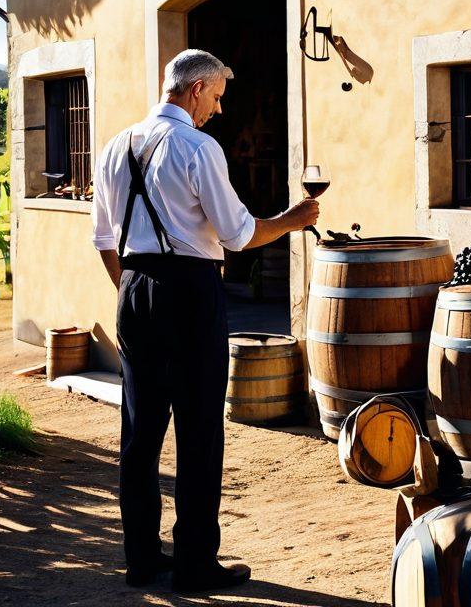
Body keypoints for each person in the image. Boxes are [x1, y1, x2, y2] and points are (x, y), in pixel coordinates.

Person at [92, 49, 320, 593]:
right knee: (199, 431)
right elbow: (239, 234)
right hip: (190, 294)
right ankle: (195, 565)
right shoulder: (197, 147)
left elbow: (104, 240)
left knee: (139, 435)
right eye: (216, 97)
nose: (217, 110)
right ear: (195, 90)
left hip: (133, 289)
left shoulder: (114, 147)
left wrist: (132, 290)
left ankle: (142, 560)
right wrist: (292, 220)